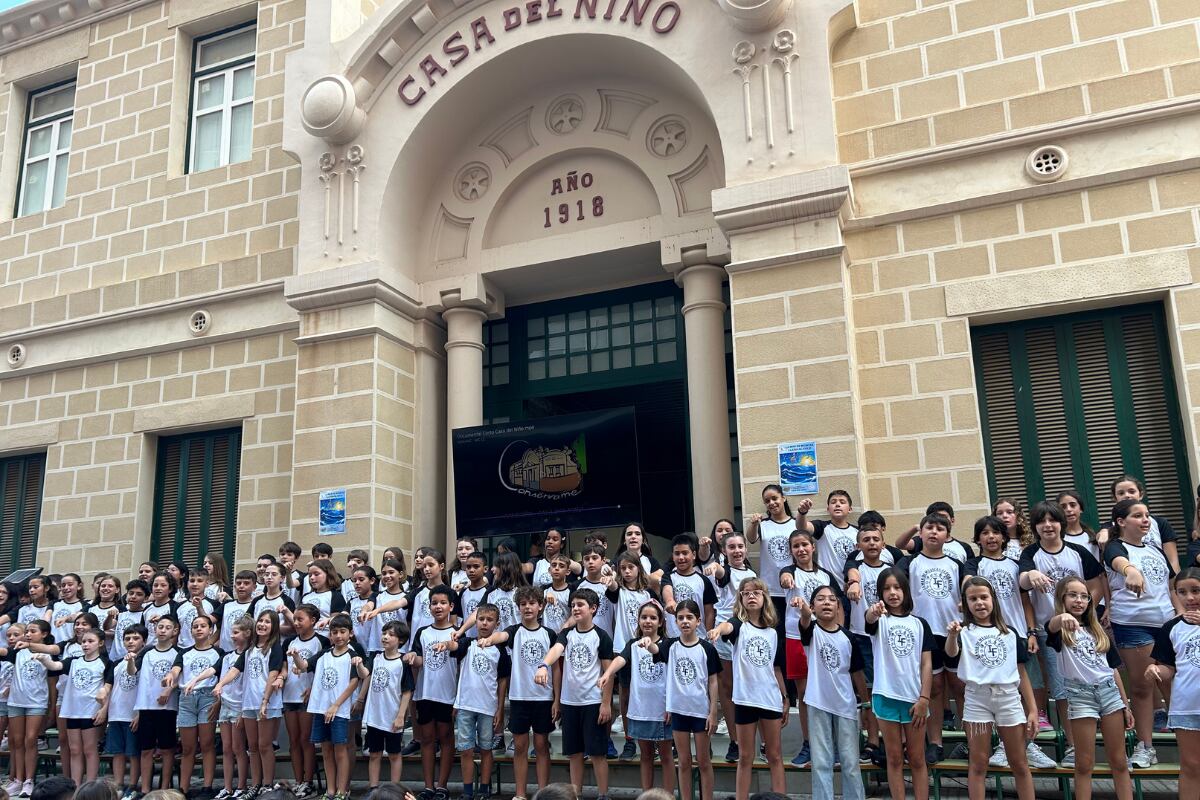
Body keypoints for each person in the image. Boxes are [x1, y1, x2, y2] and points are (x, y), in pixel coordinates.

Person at [1019, 499, 1105, 763]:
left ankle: (1084, 743)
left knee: (1089, 684)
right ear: (1035, 527)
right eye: (1041, 521)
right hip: (1050, 631)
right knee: (1062, 689)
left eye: (1052, 520)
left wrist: (1085, 612)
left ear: (1061, 523)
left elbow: (1097, 585)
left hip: (1082, 629)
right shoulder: (1031, 554)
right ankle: (1072, 745)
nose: (1048, 525)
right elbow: (1023, 587)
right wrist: (1030, 575)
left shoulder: (1078, 552)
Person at [963, 515, 1051, 769]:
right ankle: (1002, 745)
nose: (990, 537)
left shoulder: (1016, 563)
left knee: (1026, 687)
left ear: (1004, 537)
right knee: (998, 690)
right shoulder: (974, 564)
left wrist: (1031, 631)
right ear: (978, 539)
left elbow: (1025, 601)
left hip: (1017, 635)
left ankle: (1029, 742)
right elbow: (967, 584)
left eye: (995, 533)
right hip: (988, 636)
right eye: (985, 533)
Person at [1103, 498, 1180, 767]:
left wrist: (1180, 615)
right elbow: (1117, 560)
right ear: (1121, 522)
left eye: (1147, 515)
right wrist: (1130, 570)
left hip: (1167, 624)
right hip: (1134, 624)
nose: (1145, 519)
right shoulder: (1115, 546)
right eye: (1137, 516)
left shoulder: (1155, 550)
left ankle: (1188, 741)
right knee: (1143, 685)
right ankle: (1146, 746)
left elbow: (1171, 587)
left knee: (1174, 684)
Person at [945, 577, 1038, 800]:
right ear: (965, 603)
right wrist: (952, 635)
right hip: (977, 699)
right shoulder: (963, 632)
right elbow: (951, 653)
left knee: (1019, 763)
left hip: (1008, 698)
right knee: (978, 763)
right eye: (973, 598)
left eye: (984, 597)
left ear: (993, 600)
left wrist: (1032, 709)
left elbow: (1021, 672)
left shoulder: (1010, 633)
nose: (979, 603)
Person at [1046, 577, 1134, 800]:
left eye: (1084, 596)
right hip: (1080, 695)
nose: (1079, 600)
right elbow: (1051, 626)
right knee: (1084, 763)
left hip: (1109, 694)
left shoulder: (1098, 631)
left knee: (1119, 761)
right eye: (1073, 595)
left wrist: (1125, 705)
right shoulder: (1061, 630)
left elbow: (1112, 670)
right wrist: (1062, 617)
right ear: (1062, 599)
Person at [706, 577, 788, 800]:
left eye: (756, 592)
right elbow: (727, 626)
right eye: (746, 593)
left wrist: (785, 698)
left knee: (774, 754)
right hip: (745, 700)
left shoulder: (773, 632)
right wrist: (717, 630)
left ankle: (779, 797)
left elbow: (777, 668)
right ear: (741, 598)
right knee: (745, 756)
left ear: (764, 597)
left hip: (770, 698)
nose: (751, 596)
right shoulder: (739, 626)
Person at [896, 513, 963, 764]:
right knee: (933, 688)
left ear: (947, 535)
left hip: (953, 631)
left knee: (960, 685)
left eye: (940, 528)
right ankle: (935, 742)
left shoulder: (956, 564)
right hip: (925, 633)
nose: (934, 532)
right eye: (929, 528)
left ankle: (969, 740)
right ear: (920, 533)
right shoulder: (910, 563)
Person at [534, 588, 614, 800]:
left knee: (597, 753)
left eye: (581, 605)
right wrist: (543, 665)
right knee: (574, 753)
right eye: (573, 605)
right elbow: (555, 650)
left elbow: (609, 672)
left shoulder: (601, 636)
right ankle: (575, 795)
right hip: (570, 703)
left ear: (593, 609)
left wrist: (606, 703)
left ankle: (603, 794)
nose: (576, 609)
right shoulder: (566, 634)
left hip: (593, 701)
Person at [479, 587, 554, 800]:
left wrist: (556, 698)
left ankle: (543, 793)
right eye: (523, 604)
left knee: (541, 745)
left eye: (532, 603)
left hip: (543, 698)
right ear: (518, 607)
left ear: (540, 606)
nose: (527, 607)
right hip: (520, 697)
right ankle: (520, 794)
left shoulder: (549, 634)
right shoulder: (514, 631)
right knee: (520, 746)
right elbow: (501, 635)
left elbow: (556, 668)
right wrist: (489, 639)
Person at [866, 569, 932, 800]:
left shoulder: (920, 624)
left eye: (897, 588)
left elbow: (926, 664)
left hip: (915, 699)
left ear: (906, 590)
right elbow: (869, 619)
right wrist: (873, 611)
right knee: (893, 758)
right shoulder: (880, 619)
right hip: (885, 696)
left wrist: (924, 698)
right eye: (886, 588)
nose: (893, 593)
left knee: (916, 758)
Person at [598, 601, 675, 796]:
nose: (647, 621)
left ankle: (667, 796)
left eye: (652, 618)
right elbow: (620, 660)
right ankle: (646, 795)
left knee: (666, 756)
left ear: (660, 622)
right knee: (646, 755)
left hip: (663, 710)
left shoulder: (668, 644)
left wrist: (671, 706)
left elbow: (666, 666)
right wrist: (608, 674)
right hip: (640, 709)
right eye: (644, 617)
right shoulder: (632, 644)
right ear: (638, 620)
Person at [799, 585, 867, 800]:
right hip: (818, 702)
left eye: (831, 599)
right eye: (820, 599)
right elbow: (804, 621)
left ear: (839, 606)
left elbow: (857, 673)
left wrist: (865, 703)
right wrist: (803, 611)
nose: (826, 602)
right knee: (820, 762)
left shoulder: (848, 637)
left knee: (850, 763)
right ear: (813, 606)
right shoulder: (811, 631)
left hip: (845, 705)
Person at [781, 529, 842, 766]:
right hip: (795, 637)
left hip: (824, 638)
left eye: (804, 544)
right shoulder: (789, 572)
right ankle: (808, 744)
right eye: (795, 546)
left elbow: (838, 606)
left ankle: (833, 745)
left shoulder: (826, 576)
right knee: (805, 694)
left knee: (828, 690)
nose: (801, 549)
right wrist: (787, 582)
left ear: (813, 547)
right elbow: (784, 580)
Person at [652, 601, 720, 800]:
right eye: (680, 618)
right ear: (675, 621)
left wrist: (713, 712)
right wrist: (648, 644)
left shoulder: (707, 648)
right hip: (679, 711)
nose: (685, 621)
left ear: (698, 621)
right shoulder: (670, 645)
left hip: (700, 711)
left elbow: (713, 681)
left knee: (704, 761)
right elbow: (656, 650)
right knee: (683, 761)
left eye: (689, 617)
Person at [212, 610, 285, 795]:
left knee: (264, 745)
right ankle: (256, 784)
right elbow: (236, 670)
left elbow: (273, 674)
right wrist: (221, 683)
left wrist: (265, 700)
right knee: (252, 746)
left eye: (267, 622)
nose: (262, 624)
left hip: (266, 703)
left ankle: (267, 784)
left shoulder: (275, 647)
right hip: (248, 704)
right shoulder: (250, 649)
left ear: (273, 626)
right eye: (260, 620)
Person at [406, 585, 467, 800]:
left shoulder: (458, 632)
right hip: (425, 693)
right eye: (434, 603)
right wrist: (413, 658)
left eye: (443, 603)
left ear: (451, 606)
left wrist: (450, 643)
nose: (438, 607)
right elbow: (420, 659)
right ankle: (428, 786)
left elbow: (460, 655)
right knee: (427, 739)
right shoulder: (423, 632)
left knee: (446, 737)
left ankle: (442, 786)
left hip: (448, 694)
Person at [297, 614, 364, 800]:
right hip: (321, 708)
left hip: (339, 711)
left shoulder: (352, 655)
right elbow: (303, 666)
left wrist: (336, 705)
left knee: (340, 751)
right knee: (326, 750)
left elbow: (353, 682)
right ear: (330, 635)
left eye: (343, 632)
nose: (339, 636)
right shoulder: (323, 654)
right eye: (334, 632)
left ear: (350, 634)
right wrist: (295, 656)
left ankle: (342, 791)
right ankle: (330, 790)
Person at [1147, 567, 1200, 800]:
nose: (1189, 598)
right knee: (1190, 765)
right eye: (1182, 591)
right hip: (1186, 705)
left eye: (1196, 591)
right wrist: (1156, 669)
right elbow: (1169, 668)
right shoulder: (1171, 627)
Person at [36, 626, 112, 785]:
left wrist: (104, 710)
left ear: (100, 643)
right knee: (75, 750)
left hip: (90, 711)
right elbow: (55, 666)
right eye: (84, 641)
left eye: (90, 641)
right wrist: (43, 659)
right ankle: (76, 785)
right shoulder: (74, 661)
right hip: (72, 711)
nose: (86, 644)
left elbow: (108, 688)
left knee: (90, 750)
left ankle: (90, 784)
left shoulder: (105, 662)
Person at [703, 531, 755, 761]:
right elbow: (721, 574)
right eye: (731, 547)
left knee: (748, 688)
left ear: (745, 549)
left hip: (748, 634)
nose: (736, 550)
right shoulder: (724, 570)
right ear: (724, 551)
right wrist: (715, 567)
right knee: (728, 687)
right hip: (725, 635)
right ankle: (735, 740)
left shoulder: (752, 574)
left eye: (740, 546)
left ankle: (752, 741)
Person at [453, 604, 510, 800]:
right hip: (466, 706)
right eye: (481, 619)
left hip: (488, 707)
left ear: (497, 623)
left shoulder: (500, 650)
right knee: (466, 750)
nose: (484, 623)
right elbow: (454, 647)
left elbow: (503, 681)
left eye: (489, 620)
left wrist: (500, 709)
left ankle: (484, 788)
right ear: (475, 621)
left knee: (486, 749)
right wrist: (447, 643)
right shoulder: (467, 644)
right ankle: (468, 790)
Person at [129, 616, 182, 796]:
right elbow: (132, 672)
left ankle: (164, 788)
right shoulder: (146, 652)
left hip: (167, 708)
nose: (163, 630)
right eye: (160, 627)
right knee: (146, 749)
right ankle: (145, 789)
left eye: (167, 627)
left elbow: (180, 678)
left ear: (174, 631)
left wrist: (168, 690)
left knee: (167, 750)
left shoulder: (178, 653)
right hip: (146, 705)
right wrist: (130, 661)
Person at [171, 616, 223, 798]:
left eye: (203, 626)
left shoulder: (219, 653)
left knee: (207, 743)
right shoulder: (184, 652)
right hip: (186, 698)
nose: (199, 629)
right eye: (195, 626)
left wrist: (218, 701)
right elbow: (176, 669)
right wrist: (171, 676)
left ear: (211, 630)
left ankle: (207, 787)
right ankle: (183, 789)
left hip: (207, 696)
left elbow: (221, 678)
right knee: (187, 747)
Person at [5, 619, 54, 797]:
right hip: (15, 702)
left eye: (33, 631)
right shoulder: (18, 650)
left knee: (30, 739)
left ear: (44, 634)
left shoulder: (49, 652)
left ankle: (29, 780)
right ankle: (17, 780)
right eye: (27, 631)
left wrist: (50, 708)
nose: (28, 634)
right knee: (16, 741)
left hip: (36, 702)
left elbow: (52, 682)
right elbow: (4, 651)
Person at [282, 605, 327, 798]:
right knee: (293, 740)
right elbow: (284, 667)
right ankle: (298, 780)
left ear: (314, 621)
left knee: (306, 740)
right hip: (289, 694)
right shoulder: (289, 642)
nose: (297, 623)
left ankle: (308, 782)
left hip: (308, 697)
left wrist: (314, 687)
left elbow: (324, 669)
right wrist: (281, 678)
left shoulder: (322, 641)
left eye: (301, 619)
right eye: (295, 619)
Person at [363, 621, 412, 790]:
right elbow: (365, 674)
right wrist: (358, 664)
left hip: (392, 716)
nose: (385, 637)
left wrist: (400, 716)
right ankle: (373, 788)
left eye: (391, 635)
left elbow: (407, 691)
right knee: (374, 753)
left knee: (394, 754)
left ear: (401, 640)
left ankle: (394, 789)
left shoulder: (403, 662)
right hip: (375, 716)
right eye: (384, 633)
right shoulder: (375, 657)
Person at [212, 617, 253, 800]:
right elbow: (221, 679)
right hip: (226, 705)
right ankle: (227, 787)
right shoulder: (227, 656)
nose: (232, 636)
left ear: (247, 633)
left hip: (240, 706)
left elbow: (248, 685)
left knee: (238, 748)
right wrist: (218, 702)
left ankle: (242, 785)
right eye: (232, 632)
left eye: (236, 632)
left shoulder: (251, 655)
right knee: (227, 748)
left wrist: (244, 711)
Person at [797, 489, 860, 591]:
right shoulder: (822, 527)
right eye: (833, 502)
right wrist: (802, 512)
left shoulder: (858, 532)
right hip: (827, 587)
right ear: (828, 508)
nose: (837, 505)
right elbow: (802, 528)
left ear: (850, 509)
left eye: (842, 502)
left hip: (852, 587)